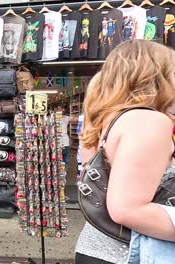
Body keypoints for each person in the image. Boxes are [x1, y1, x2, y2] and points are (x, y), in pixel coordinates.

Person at [75, 40, 175, 263]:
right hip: (131, 254)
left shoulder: (102, 119)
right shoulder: (149, 120)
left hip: (97, 248)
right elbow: (126, 209)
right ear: (158, 75)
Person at [54, 105, 78, 170]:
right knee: (56, 160)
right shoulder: (51, 118)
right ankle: (57, 174)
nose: (62, 110)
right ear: (55, 109)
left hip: (65, 143)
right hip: (56, 144)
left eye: (62, 108)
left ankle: (63, 175)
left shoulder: (65, 117)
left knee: (65, 161)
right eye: (60, 108)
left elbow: (77, 119)